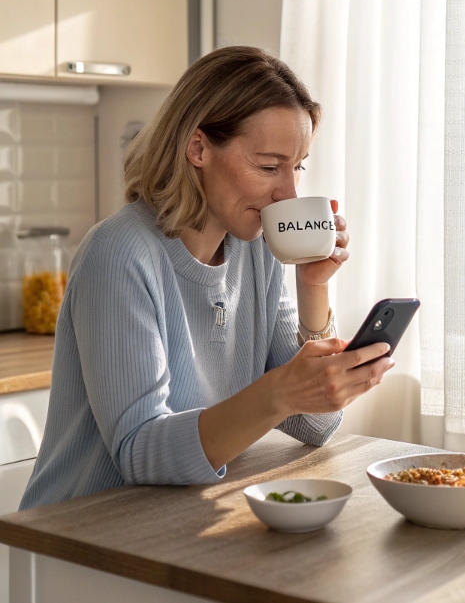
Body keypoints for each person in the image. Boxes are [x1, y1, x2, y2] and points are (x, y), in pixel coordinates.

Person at [20, 46, 394, 510]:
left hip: (176, 523)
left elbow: (314, 426)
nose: (289, 193)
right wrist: (278, 393)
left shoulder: (255, 249)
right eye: (268, 165)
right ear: (198, 148)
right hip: (77, 539)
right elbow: (140, 453)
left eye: (296, 167)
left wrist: (313, 284)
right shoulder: (119, 254)